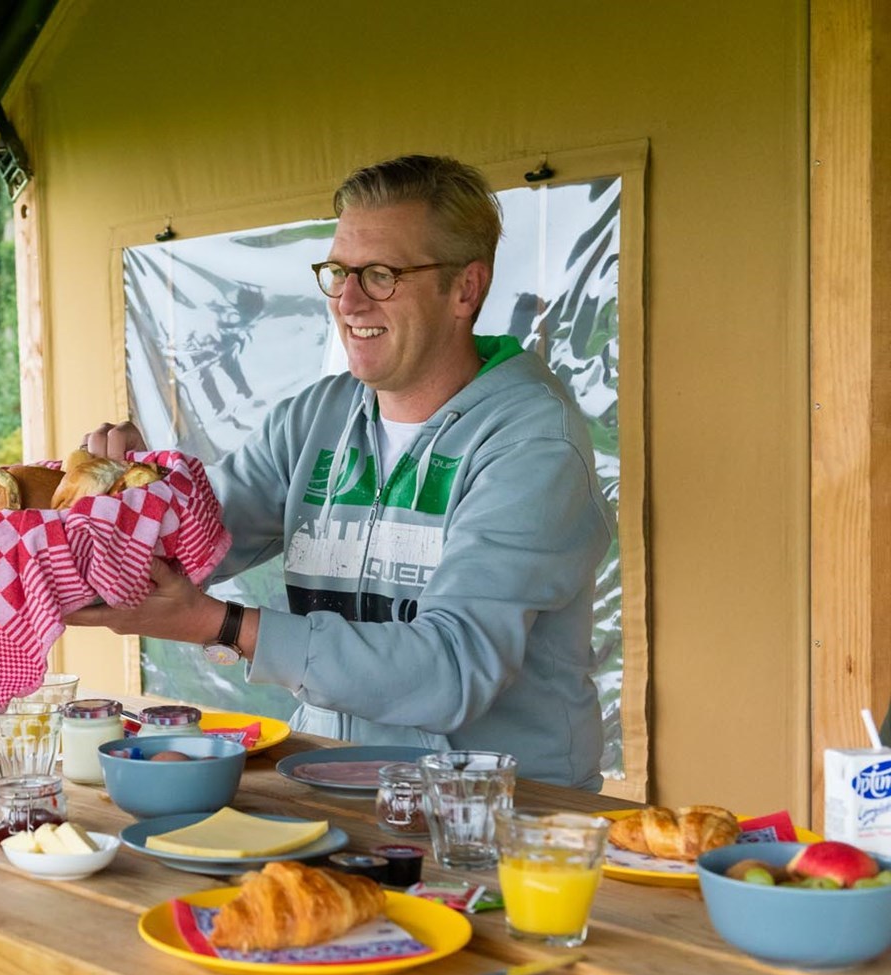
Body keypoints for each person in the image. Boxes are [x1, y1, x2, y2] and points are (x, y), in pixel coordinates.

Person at [71, 154, 613, 791]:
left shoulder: (531, 442)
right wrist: (121, 502)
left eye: (381, 274)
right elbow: (183, 544)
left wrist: (216, 625)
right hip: (335, 785)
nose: (347, 299)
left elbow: (451, 673)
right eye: (337, 271)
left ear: (466, 289)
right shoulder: (315, 419)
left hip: (495, 815)